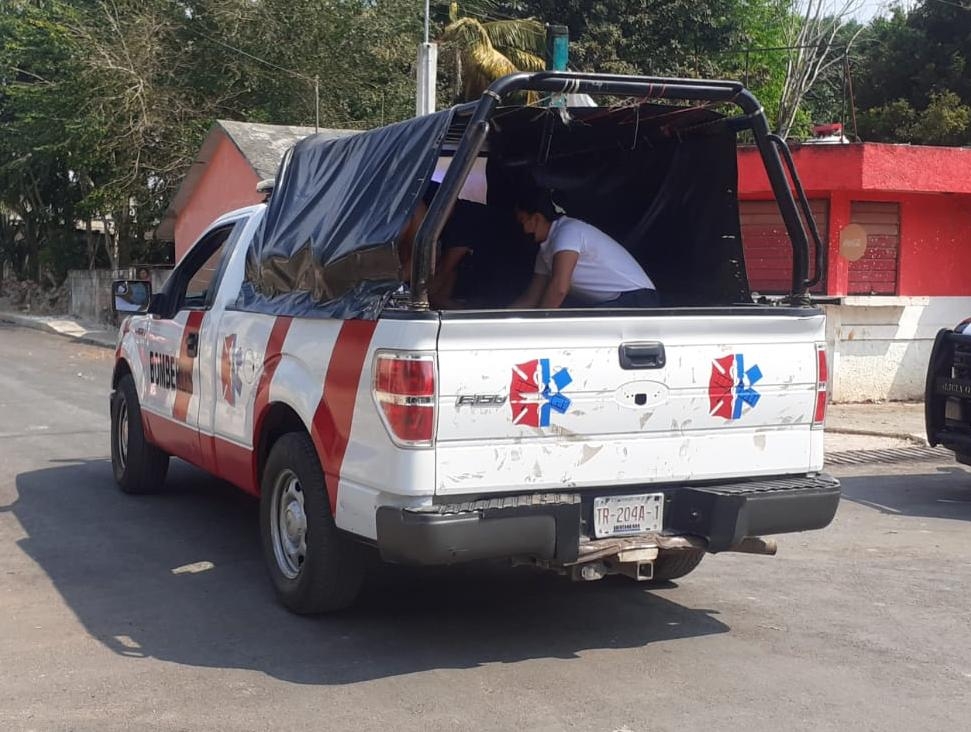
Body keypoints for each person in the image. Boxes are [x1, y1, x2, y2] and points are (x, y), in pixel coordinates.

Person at [511, 189, 658, 309]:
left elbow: (560, 288)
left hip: (636, 299)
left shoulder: (567, 231)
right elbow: (531, 298)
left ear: (536, 218)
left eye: (522, 220)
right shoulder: (545, 252)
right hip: (615, 303)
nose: (520, 228)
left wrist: (539, 327)